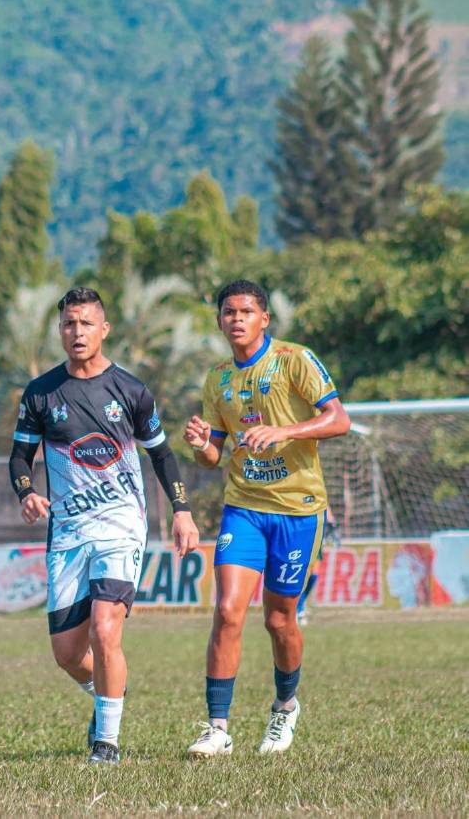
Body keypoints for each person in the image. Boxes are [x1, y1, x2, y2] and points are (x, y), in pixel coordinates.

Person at [9, 286, 199, 766]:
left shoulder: (131, 390)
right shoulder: (41, 392)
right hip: (68, 534)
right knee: (68, 655)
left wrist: (182, 510)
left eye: (86, 323)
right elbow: (18, 456)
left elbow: (162, 454)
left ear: (104, 329)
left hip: (120, 526)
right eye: (69, 324)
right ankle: (108, 692)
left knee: (105, 627)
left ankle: (106, 745)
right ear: (60, 330)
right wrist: (26, 492)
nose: (77, 332)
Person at [183, 279, 350, 758]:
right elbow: (213, 458)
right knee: (228, 610)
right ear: (219, 320)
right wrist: (201, 446)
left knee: (279, 620)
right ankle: (217, 728)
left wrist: (285, 431)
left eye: (246, 311)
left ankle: (284, 708)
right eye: (228, 312)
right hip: (245, 508)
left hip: (298, 510)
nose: (236, 319)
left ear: (264, 319)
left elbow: (338, 419)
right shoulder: (217, 379)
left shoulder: (295, 359)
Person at [296, 506, 338, 625]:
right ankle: (298, 609)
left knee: (313, 575)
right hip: (300, 531)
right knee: (299, 574)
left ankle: (299, 604)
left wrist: (330, 522)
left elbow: (324, 501)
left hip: (315, 534)